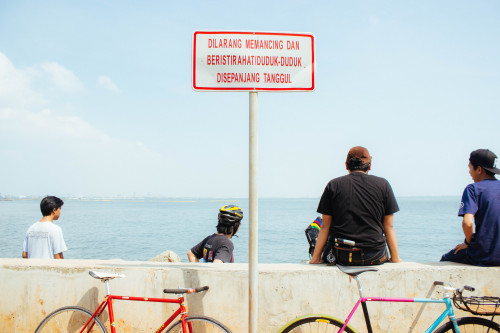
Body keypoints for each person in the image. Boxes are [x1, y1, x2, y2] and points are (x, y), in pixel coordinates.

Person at [309, 146, 402, 266]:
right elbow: (388, 226)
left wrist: (315, 259)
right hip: (375, 256)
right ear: (369, 166)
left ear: (346, 165)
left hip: (340, 255)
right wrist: (395, 258)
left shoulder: (333, 185)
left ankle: (315, 254)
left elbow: (325, 226)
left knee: (317, 226)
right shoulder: (383, 185)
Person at [440, 149, 500, 266]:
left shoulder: (473, 189)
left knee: (446, 259)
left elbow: (467, 223)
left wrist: (468, 243)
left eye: (470, 168)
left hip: (484, 254)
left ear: (479, 170)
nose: (469, 172)